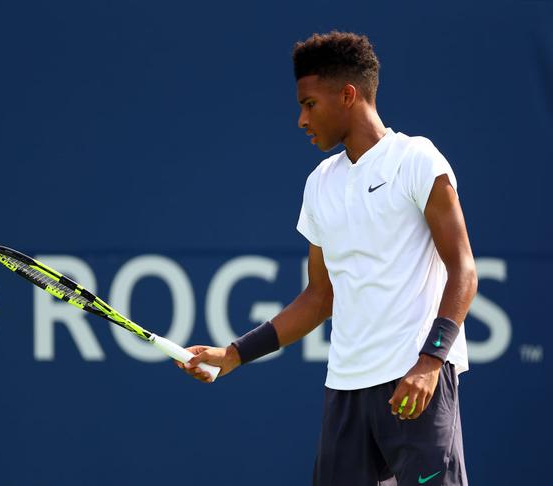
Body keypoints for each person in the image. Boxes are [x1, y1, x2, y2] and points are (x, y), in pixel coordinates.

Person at [177, 31, 477, 486]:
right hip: (347, 389)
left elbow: (463, 271)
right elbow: (320, 297)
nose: (301, 119)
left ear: (348, 95)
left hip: (415, 380)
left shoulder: (417, 159)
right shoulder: (320, 183)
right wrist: (235, 354)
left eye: (310, 104)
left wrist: (430, 362)